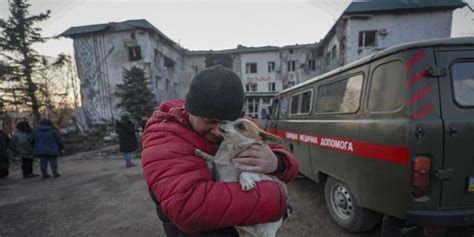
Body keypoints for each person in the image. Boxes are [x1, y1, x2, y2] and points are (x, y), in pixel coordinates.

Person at [141, 65, 299, 236]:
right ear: (190, 110)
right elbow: (188, 208)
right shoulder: (163, 135)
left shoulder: (238, 125)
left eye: (227, 121)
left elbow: (292, 168)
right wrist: (277, 198)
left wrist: (277, 162)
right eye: (209, 121)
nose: (219, 131)